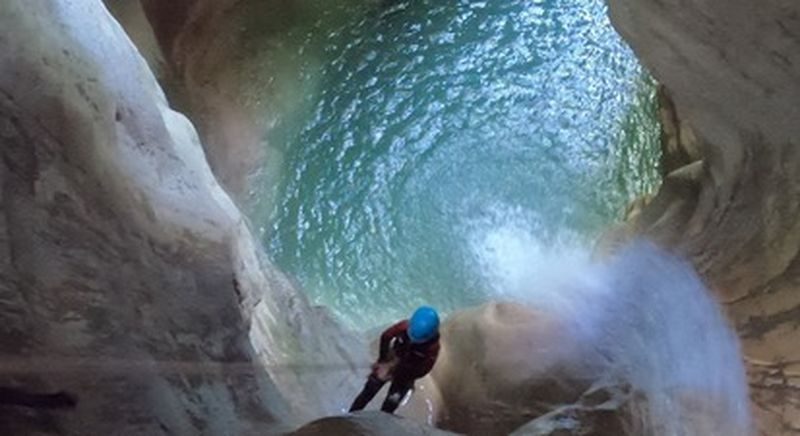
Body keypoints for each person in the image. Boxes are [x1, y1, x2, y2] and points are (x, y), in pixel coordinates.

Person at [349, 306, 441, 414]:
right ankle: (351, 414)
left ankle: (381, 420)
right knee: (368, 391)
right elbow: (386, 336)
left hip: (408, 373)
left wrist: (406, 374)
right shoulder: (403, 326)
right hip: (392, 359)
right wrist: (382, 360)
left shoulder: (432, 348)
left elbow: (424, 370)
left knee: (391, 404)